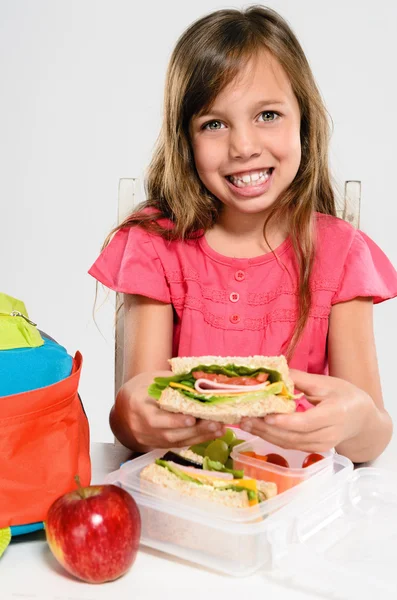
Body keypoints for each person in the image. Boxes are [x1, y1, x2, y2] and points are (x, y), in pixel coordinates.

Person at [89, 6, 397, 461]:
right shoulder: (156, 246)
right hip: (185, 494)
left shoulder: (341, 253)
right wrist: (131, 415)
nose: (244, 146)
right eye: (214, 124)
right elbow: (134, 424)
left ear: (304, 122)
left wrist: (354, 419)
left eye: (268, 115)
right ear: (185, 141)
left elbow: (369, 441)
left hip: (300, 507)